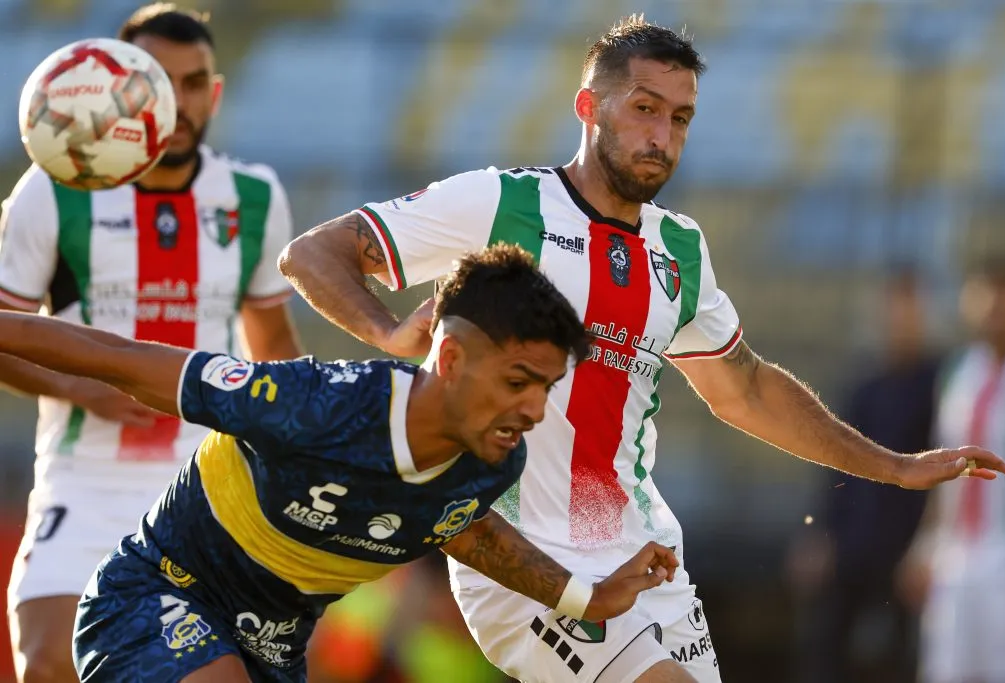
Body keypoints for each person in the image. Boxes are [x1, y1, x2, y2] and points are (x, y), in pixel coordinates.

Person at [277, 15, 1005, 683]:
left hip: (647, 558)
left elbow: (746, 389)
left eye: (681, 119)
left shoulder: (679, 249)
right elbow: (313, 254)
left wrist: (894, 465)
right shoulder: (502, 205)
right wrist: (386, 331)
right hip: (524, 561)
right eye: (645, 109)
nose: (662, 136)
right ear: (589, 107)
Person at [0, 244, 681, 683]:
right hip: (155, 597)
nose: (534, 408)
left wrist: (586, 596)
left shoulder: (493, 462)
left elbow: (464, 527)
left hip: (273, 653)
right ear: (450, 360)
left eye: (546, 387)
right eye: (517, 380)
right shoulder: (318, 404)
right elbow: (124, 362)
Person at [0, 5, 302, 682]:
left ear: (214, 92)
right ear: (114, 89)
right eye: (158, 81)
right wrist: (81, 388)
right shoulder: (50, 193)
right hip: (84, 473)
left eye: (194, 82)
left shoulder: (253, 197)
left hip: (206, 483)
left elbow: (272, 345)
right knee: (48, 659)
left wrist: (291, 447)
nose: (179, 101)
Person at [787, 269, 940, 683]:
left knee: (903, 657)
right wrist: (818, 532)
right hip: (853, 542)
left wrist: (929, 545)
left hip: (907, 546)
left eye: (909, 310)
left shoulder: (939, 386)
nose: (899, 320)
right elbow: (834, 464)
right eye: (892, 311)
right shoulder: (865, 387)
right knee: (824, 649)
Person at [898, 251, 1005, 683]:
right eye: (987, 293)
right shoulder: (959, 372)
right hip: (956, 557)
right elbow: (944, 465)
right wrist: (926, 545)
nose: (996, 307)